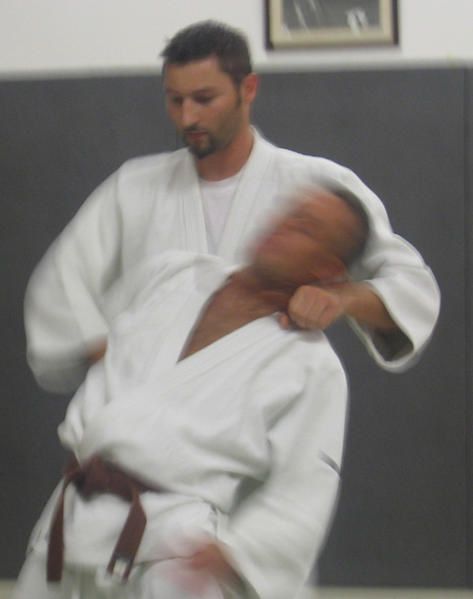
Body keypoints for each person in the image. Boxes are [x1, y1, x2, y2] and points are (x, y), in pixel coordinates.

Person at [24, 20, 440, 396]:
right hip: (138, 425)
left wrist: (343, 297)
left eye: (205, 99)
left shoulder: (317, 187)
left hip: (259, 425)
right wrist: (116, 364)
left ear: (248, 89)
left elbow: (411, 285)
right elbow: (60, 287)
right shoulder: (133, 188)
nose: (188, 117)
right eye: (175, 100)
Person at [14, 186, 369, 599]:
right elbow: (92, 331)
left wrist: (239, 553)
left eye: (304, 229)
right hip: (70, 524)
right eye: (288, 213)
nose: (281, 226)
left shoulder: (311, 366)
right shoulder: (174, 274)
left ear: (326, 271)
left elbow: (305, 489)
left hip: (173, 556)